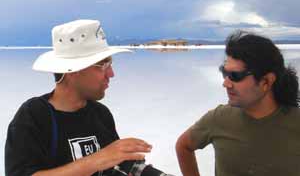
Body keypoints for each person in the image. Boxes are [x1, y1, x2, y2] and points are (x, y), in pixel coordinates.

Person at [5, 19, 170, 176]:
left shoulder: (100, 114)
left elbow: (118, 165)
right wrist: (96, 160)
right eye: (103, 65)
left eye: (110, 65)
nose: (111, 74)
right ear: (74, 69)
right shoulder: (34, 116)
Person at [176, 30, 300, 176]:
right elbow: (183, 146)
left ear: (266, 81)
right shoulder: (219, 118)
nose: (226, 83)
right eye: (225, 73)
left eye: (235, 76)